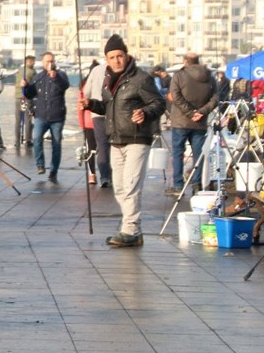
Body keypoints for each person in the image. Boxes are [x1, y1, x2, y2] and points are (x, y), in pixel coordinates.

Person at [80, 34, 165, 248]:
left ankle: (131, 229)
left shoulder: (141, 79)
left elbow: (159, 103)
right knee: (118, 187)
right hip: (115, 140)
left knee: (130, 185)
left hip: (137, 138)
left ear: (126, 56)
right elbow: (108, 108)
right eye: (112, 57)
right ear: (106, 60)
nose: (117, 60)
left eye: (120, 56)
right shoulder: (109, 81)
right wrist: (90, 104)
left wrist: (145, 112)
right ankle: (132, 229)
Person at [166, 53, 218, 196]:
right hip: (200, 123)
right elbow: (215, 98)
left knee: (178, 153)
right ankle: (197, 184)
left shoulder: (179, 75)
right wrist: (201, 112)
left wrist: (189, 112)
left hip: (180, 122)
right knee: (198, 154)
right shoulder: (209, 77)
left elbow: (175, 96)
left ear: (185, 62)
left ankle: (178, 186)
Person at [24, 51, 70, 181]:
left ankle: (53, 170)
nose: (50, 64)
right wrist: (25, 87)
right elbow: (29, 94)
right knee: (37, 138)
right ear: (43, 63)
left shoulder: (61, 75)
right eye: (47, 61)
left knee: (56, 144)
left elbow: (65, 85)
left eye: (52, 61)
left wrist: (55, 77)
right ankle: (40, 165)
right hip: (41, 115)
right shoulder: (38, 77)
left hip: (57, 116)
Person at [84, 57, 112, 188]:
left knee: (102, 145)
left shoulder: (95, 71)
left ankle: (105, 176)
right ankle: (112, 175)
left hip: (96, 113)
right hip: (113, 112)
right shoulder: (120, 70)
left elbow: (86, 92)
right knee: (114, 144)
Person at [78, 60, 99, 185]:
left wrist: (81, 123)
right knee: (102, 148)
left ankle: (92, 174)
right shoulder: (104, 84)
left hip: (88, 122)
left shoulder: (84, 85)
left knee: (91, 149)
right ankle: (104, 174)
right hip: (95, 121)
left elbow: (79, 106)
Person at [15, 55, 36, 148]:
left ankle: (17, 141)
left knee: (18, 120)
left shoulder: (20, 70)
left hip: (18, 97)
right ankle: (28, 140)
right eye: (33, 61)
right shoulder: (32, 71)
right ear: (29, 62)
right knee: (28, 119)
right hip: (26, 98)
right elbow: (35, 85)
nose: (34, 63)